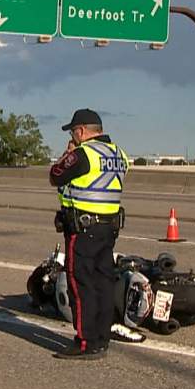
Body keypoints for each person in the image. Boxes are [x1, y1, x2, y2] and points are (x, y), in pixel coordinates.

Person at [48, 108, 130, 360]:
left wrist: (68, 154)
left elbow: (55, 175)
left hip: (83, 229)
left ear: (82, 131)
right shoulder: (119, 153)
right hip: (108, 228)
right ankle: (101, 338)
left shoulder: (83, 154)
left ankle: (85, 341)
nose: (72, 136)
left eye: (73, 131)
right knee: (103, 282)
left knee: (80, 283)